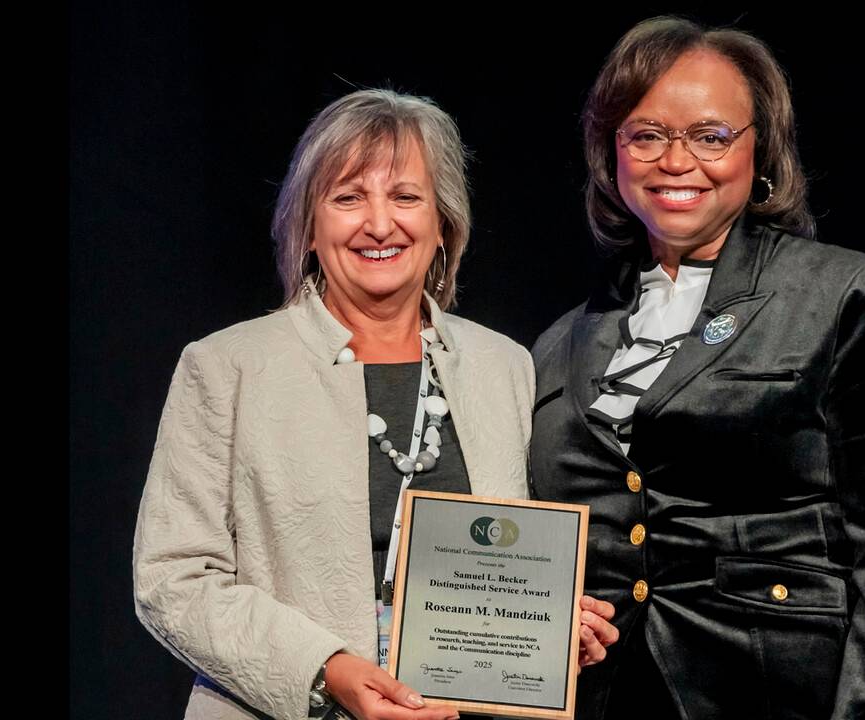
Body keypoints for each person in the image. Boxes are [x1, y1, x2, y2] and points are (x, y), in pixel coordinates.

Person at [134, 89, 616, 720]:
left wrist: (546, 627)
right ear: (308, 226)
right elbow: (173, 580)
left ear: (442, 224)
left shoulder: (504, 366)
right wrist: (325, 671)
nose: (380, 224)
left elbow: (511, 560)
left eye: (406, 197)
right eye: (348, 197)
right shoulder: (227, 367)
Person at [529, 17, 865, 719]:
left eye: (710, 136)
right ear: (613, 153)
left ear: (762, 153)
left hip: (781, 696)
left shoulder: (848, 296)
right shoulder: (559, 343)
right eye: (647, 135)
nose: (676, 160)